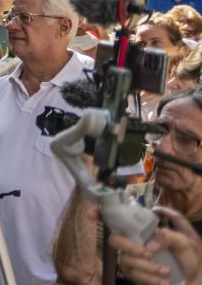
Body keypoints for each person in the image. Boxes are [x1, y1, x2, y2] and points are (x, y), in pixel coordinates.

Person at [0, 0, 92, 284]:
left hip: (56, 275)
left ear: (63, 26)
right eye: (11, 17)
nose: (12, 25)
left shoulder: (97, 92)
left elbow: (119, 191)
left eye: (25, 17)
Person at [55, 87, 202, 284]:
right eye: (159, 132)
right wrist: (90, 163)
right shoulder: (126, 202)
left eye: (186, 139)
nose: (162, 147)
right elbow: (76, 273)